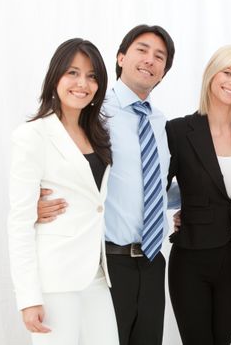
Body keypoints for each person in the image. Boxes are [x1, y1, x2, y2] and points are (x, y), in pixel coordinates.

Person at [36, 25, 176, 345]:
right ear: (121, 57)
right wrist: (33, 201)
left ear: (164, 72)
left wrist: (183, 206)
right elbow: (58, 166)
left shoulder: (162, 123)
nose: (150, 60)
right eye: (142, 50)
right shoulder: (92, 113)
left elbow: (156, 184)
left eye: (160, 56)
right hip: (107, 264)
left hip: (154, 261)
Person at [8, 38, 119, 345]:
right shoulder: (32, 135)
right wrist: (28, 298)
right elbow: (19, 221)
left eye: (92, 75)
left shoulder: (97, 133)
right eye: (73, 72)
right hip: (55, 278)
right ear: (55, 76)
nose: (83, 83)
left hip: (96, 274)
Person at [166, 45, 231, 344]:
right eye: (228, 73)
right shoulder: (178, 131)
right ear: (211, 74)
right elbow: (156, 189)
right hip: (191, 260)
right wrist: (185, 207)